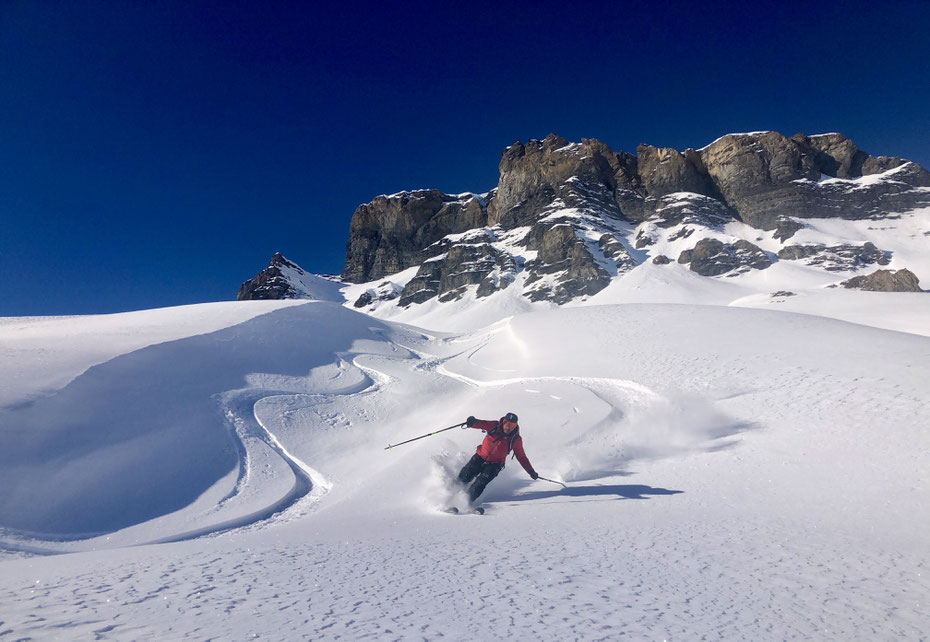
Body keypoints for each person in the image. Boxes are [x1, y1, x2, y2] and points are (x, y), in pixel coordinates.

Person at [458, 412, 538, 504]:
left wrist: (530, 471)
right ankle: (451, 492)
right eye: (507, 424)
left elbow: (521, 457)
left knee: (481, 482)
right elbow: (482, 424)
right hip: (480, 456)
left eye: (512, 425)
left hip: (495, 464)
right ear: (503, 422)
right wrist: (472, 422)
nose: (509, 428)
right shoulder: (494, 426)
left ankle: (464, 502)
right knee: (466, 474)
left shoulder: (516, 439)